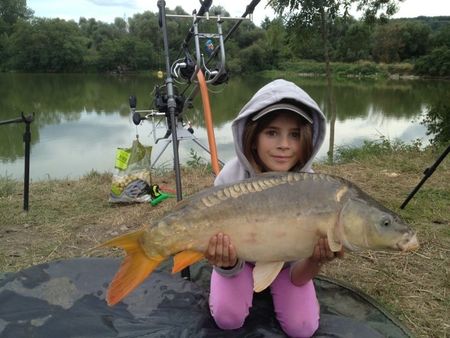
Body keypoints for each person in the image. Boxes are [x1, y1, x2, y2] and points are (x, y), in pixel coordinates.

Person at [204, 79, 344, 337]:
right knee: (228, 319)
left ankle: (270, 285)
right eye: (272, 132)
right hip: (240, 259)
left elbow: (300, 275)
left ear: (307, 139)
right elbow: (221, 254)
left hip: (289, 265)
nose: (284, 144)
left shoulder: (314, 188)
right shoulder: (230, 179)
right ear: (253, 136)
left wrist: (315, 260)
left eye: (294, 134)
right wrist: (226, 263)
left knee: (303, 329)